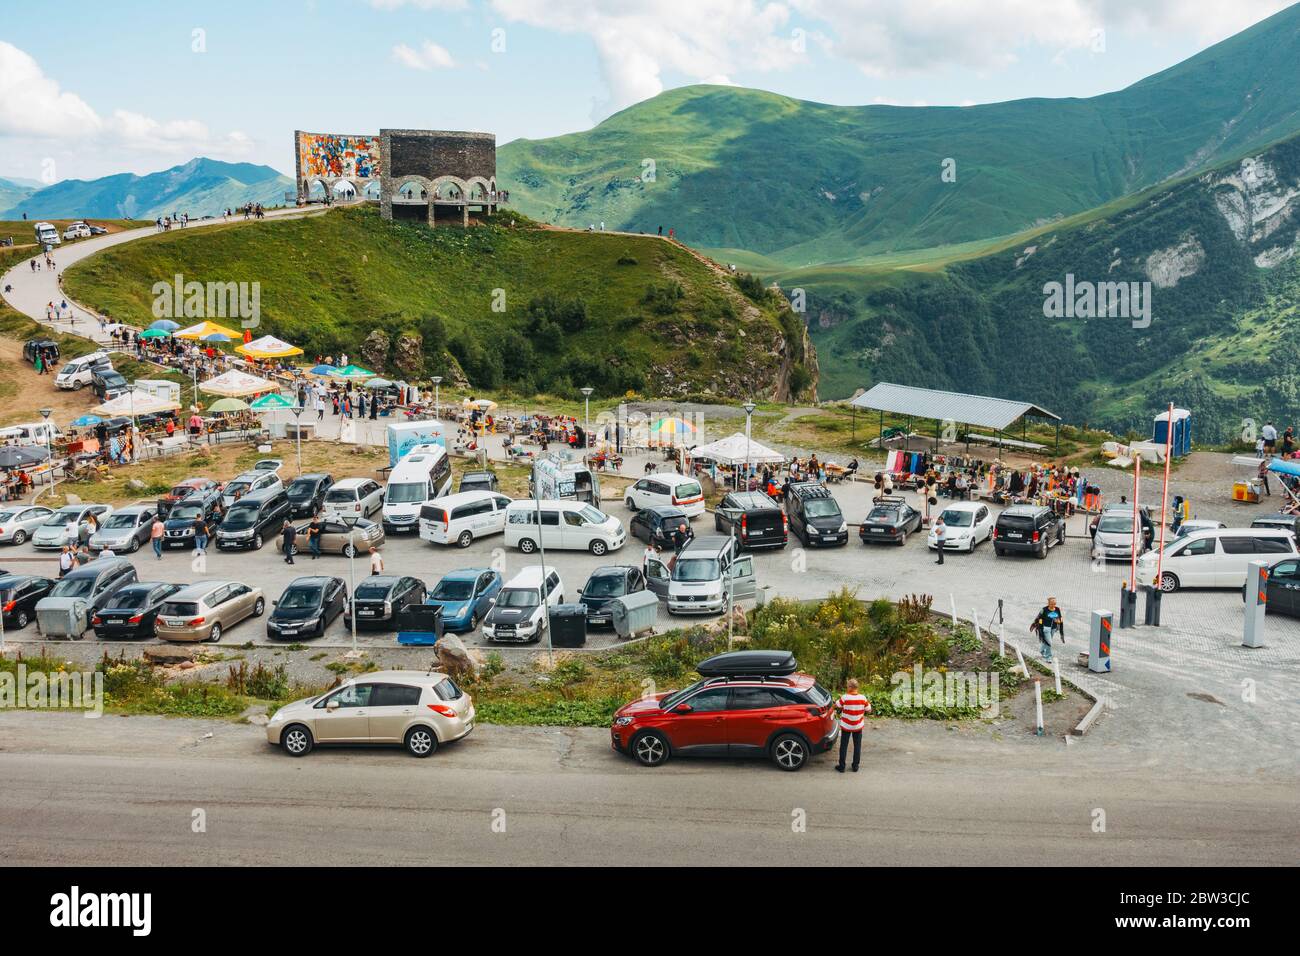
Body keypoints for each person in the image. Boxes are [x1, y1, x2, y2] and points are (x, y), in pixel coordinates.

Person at [834, 678, 871, 773]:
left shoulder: (845, 697)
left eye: (847, 685)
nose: (847, 687)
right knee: (857, 746)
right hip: (857, 726)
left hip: (846, 726)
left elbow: (837, 705)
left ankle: (842, 766)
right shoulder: (863, 698)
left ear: (850, 687)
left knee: (844, 746)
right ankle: (855, 766)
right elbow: (868, 709)